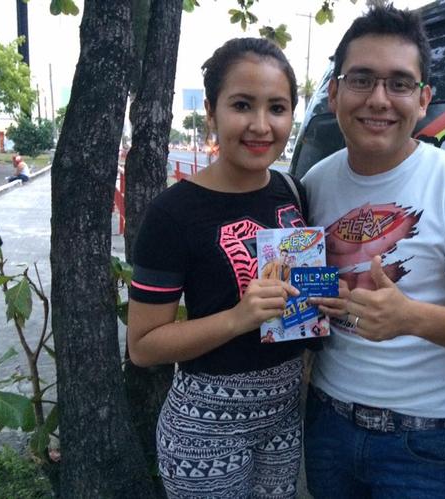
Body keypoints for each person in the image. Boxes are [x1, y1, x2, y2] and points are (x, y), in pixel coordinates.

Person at [302, 6, 445, 498]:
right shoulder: (315, 183)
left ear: (423, 99)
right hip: (326, 423)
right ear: (334, 92)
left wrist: (409, 318)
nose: (379, 99)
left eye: (400, 83)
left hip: (420, 442)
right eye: (361, 79)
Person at [127, 37, 343, 499]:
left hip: (284, 417)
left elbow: (301, 303)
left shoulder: (293, 191)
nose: (261, 126)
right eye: (242, 105)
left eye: (277, 108)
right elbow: (143, 347)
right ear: (211, 111)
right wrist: (239, 318)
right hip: (205, 429)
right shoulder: (172, 213)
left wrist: (324, 303)